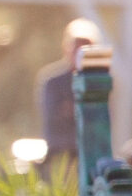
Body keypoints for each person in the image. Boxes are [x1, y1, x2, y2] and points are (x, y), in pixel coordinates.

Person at [38, 18, 105, 161]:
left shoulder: (98, 82)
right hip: (60, 153)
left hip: (91, 152)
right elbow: (54, 114)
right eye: (77, 49)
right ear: (67, 49)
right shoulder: (53, 81)